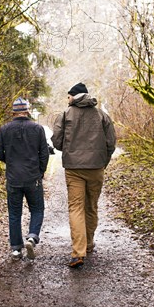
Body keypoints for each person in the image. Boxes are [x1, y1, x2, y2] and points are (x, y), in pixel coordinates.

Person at [51, 82, 116, 268]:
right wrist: (103, 160)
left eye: (68, 96)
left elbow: (56, 141)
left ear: (74, 96)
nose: (67, 99)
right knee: (91, 206)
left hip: (74, 169)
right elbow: (111, 142)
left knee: (76, 208)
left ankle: (78, 252)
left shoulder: (65, 114)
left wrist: (69, 149)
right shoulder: (102, 115)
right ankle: (88, 244)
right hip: (97, 167)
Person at [0, 97, 49, 260]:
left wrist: (9, 161)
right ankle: (32, 237)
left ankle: (16, 249)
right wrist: (40, 171)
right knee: (37, 209)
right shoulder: (37, 129)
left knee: (14, 213)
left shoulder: (4, 129)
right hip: (33, 177)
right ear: (27, 111)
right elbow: (44, 154)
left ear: (13, 113)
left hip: (13, 178)